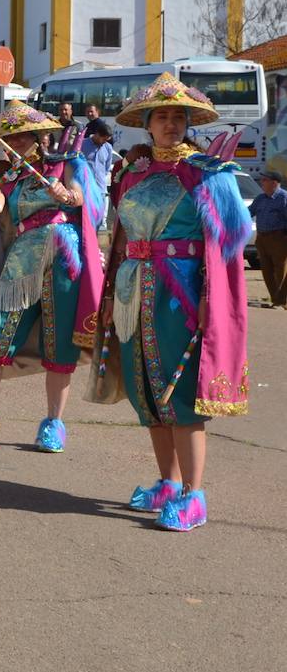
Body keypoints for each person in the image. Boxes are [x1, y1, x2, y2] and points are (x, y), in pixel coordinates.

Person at [98, 72, 252, 531]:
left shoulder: (207, 175)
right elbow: (120, 242)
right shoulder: (132, 174)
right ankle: (167, 483)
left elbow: (227, 246)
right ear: (146, 124)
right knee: (148, 393)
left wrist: (209, 299)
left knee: (180, 395)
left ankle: (194, 494)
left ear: (188, 122)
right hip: (132, 291)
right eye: (161, 117)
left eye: (177, 117)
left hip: (178, 294)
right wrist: (109, 297)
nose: (170, 124)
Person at [0, 103, 104, 452]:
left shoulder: (65, 162)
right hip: (22, 259)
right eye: (11, 138)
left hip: (67, 256)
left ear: (40, 136)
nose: (17, 143)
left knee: (61, 341)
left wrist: (65, 195)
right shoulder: (7, 175)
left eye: (24, 136)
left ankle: (54, 423)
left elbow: (82, 198)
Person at [249, 169, 287, 308]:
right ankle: (275, 298)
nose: (261, 182)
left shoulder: (283, 198)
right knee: (266, 269)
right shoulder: (260, 198)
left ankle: (281, 300)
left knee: (280, 269)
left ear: (274, 182)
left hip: (279, 238)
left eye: (265, 180)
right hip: (262, 239)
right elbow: (248, 213)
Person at [80, 118, 118, 229]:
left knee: (100, 222)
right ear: (97, 134)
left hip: (100, 189)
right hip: (85, 189)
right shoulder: (82, 144)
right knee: (85, 221)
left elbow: (106, 168)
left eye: (107, 140)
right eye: (103, 139)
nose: (104, 142)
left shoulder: (108, 148)